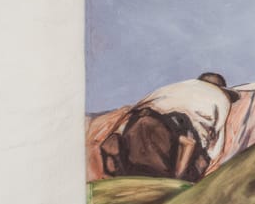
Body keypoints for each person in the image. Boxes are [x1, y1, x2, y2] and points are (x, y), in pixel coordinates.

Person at [100, 72, 239, 182]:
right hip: (175, 131)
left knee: (136, 163)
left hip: (139, 122)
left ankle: (120, 156)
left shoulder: (179, 87)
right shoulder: (221, 97)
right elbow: (216, 137)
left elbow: (142, 104)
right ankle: (178, 177)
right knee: (197, 162)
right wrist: (210, 158)